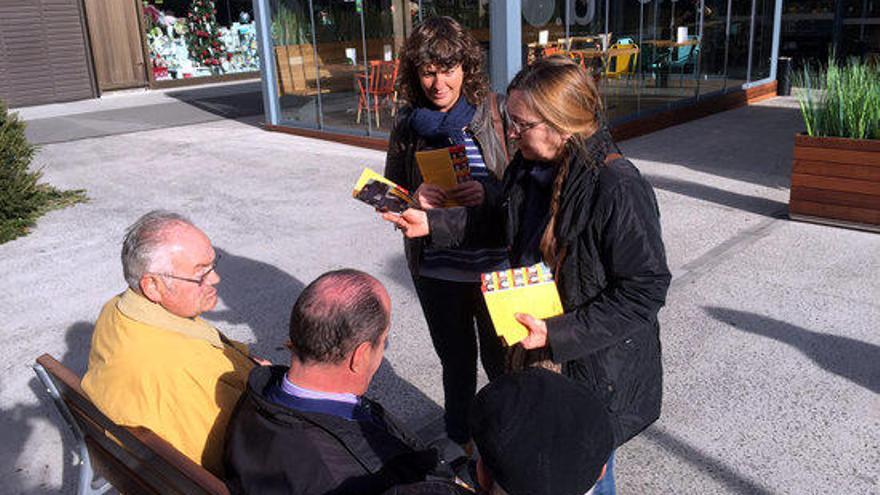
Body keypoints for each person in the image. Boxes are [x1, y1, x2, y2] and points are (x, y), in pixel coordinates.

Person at [383, 56, 672, 494]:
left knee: (585, 476)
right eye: (511, 121)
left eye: (521, 124)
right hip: (538, 350)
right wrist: (435, 226)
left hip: (593, 368)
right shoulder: (529, 166)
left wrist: (558, 333)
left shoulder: (617, 187)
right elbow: (503, 222)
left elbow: (644, 290)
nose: (511, 133)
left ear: (561, 124)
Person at [384, 15, 510, 452]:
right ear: (415, 73)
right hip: (436, 270)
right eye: (429, 71)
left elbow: (522, 187)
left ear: (466, 68)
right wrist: (412, 197)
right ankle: (462, 448)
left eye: (449, 70)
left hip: (493, 268)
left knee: (502, 364)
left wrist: (489, 192)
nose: (439, 83)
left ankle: (502, 445)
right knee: (455, 365)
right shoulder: (407, 124)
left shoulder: (494, 114)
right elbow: (394, 192)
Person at [224, 269, 467, 494]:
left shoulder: (260, 395)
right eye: (383, 340)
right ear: (359, 356)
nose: (383, 349)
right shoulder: (355, 477)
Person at [81, 210, 259, 475]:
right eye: (201, 274)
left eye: (213, 265)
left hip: (130, 463)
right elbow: (237, 456)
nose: (215, 279)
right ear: (152, 286)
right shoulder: (182, 368)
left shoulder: (117, 308)